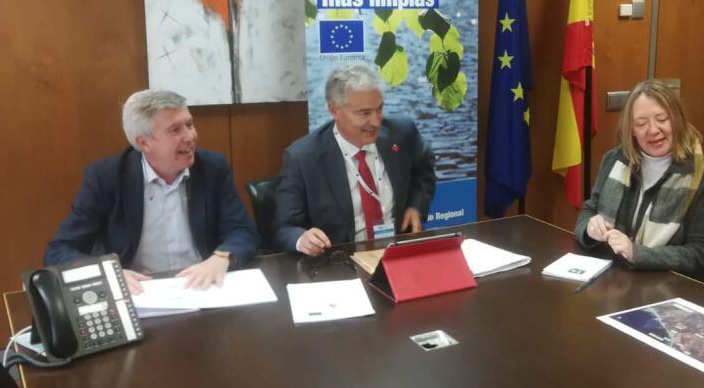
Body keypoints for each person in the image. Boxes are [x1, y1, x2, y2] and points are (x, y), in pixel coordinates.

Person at [45, 90, 259, 292]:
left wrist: (220, 258)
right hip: (141, 292)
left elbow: (243, 232)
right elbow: (60, 250)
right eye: (175, 130)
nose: (190, 136)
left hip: (202, 286)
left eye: (190, 124)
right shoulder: (107, 177)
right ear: (144, 143)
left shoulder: (211, 168)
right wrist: (107, 273)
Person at [274, 61, 437, 256]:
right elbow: (284, 229)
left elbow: (425, 171)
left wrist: (416, 206)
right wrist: (302, 239)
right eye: (365, 113)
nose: (377, 121)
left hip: (398, 253)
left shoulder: (402, 134)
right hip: (339, 262)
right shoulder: (303, 158)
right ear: (334, 110)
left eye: (379, 108)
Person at [574, 79, 704, 281]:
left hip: (670, 285)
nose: (653, 130)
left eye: (662, 119)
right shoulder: (615, 160)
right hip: (613, 279)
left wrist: (637, 253)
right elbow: (588, 210)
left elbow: (702, 253)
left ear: (677, 120)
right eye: (641, 123)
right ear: (631, 130)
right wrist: (589, 227)